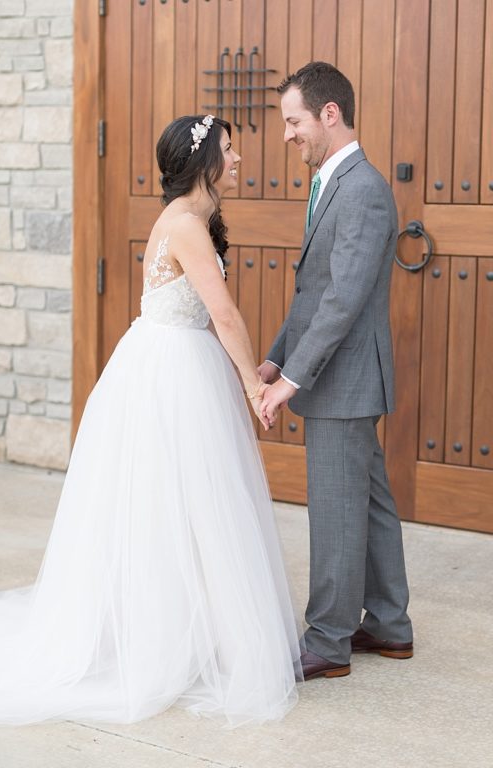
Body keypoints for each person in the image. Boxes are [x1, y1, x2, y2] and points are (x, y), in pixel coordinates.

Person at [0, 116, 301, 726]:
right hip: (173, 373)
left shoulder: (186, 220)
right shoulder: (185, 225)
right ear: (203, 162)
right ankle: (169, 638)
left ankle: (190, 627)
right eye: (229, 149)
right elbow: (224, 314)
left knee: (184, 502)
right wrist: (251, 386)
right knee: (181, 500)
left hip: (173, 361)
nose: (238, 159)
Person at [258, 62, 413, 680]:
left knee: (336, 509)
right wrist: (276, 356)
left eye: (293, 121)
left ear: (330, 114)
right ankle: (390, 625)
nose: (287, 135)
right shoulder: (332, 183)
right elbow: (313, 292)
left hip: (343, 382)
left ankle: (327, 641)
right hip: (339, 378)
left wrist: (290, 381)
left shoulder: (363, 188)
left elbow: (343, 300)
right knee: (368, 504)